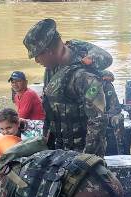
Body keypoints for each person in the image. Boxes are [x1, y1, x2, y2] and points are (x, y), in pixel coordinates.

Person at [24, 18, 111, 157]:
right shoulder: (52, 69)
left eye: (37, 55)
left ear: (48, 51)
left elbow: (97, 123)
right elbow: (50, 110)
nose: (36, 61)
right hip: (60, 150)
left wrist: (86, 162)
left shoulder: (85, 77)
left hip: (82, 154)